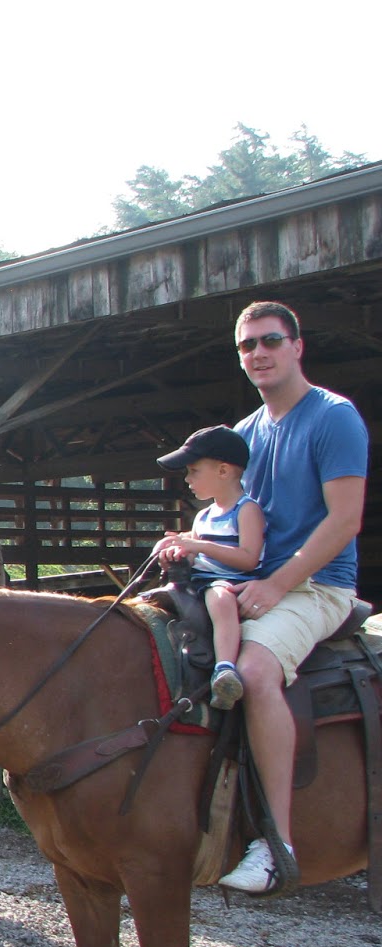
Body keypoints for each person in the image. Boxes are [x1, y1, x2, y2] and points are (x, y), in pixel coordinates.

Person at [215, 301, 368, 895]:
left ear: (297, 346)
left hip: (317, 584)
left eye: (270, 340)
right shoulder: (248, 434)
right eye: (247, 345)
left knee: (252, 670)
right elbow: (241, 523)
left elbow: (345, 520)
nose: (258, 353)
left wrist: (278, 584)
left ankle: (276, 843)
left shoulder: (334, 417)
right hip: (258, 583)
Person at [153, 425, 266, 710]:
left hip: (226, 583)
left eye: (194, 471)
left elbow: (249, 558)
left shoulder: (247, 510)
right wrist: (177, 553)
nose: (188, 479)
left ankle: (225, 669)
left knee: (220, 597)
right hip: (199, 580)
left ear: (224, 471)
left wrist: (197, 545)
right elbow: (195, 557)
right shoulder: (203, 515)